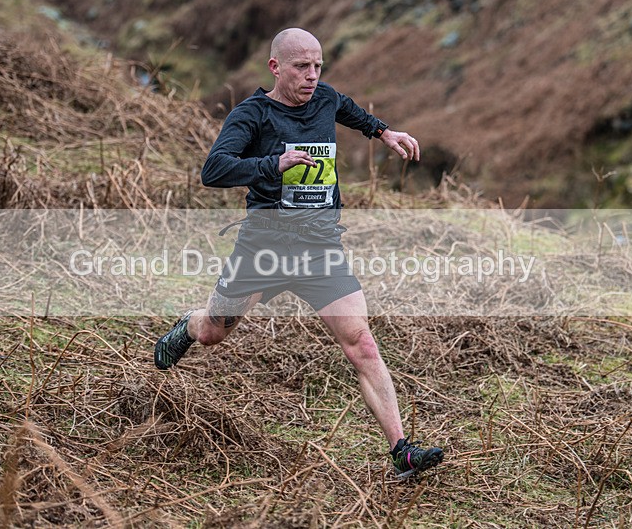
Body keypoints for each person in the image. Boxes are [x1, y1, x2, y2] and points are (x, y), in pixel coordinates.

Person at [155, 27, 443, 478]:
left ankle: (402, 451)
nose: (312, 76)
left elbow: (348, 109)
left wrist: (385, 133)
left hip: (319, 248)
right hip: (264, 247)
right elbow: (214, 169)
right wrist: (273, 164)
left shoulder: (324, 98)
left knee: (362, 343)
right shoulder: (251, 115)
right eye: (301, 67)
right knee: (214, 331)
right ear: (275, 67)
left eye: (317, 66)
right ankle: (189, 324)